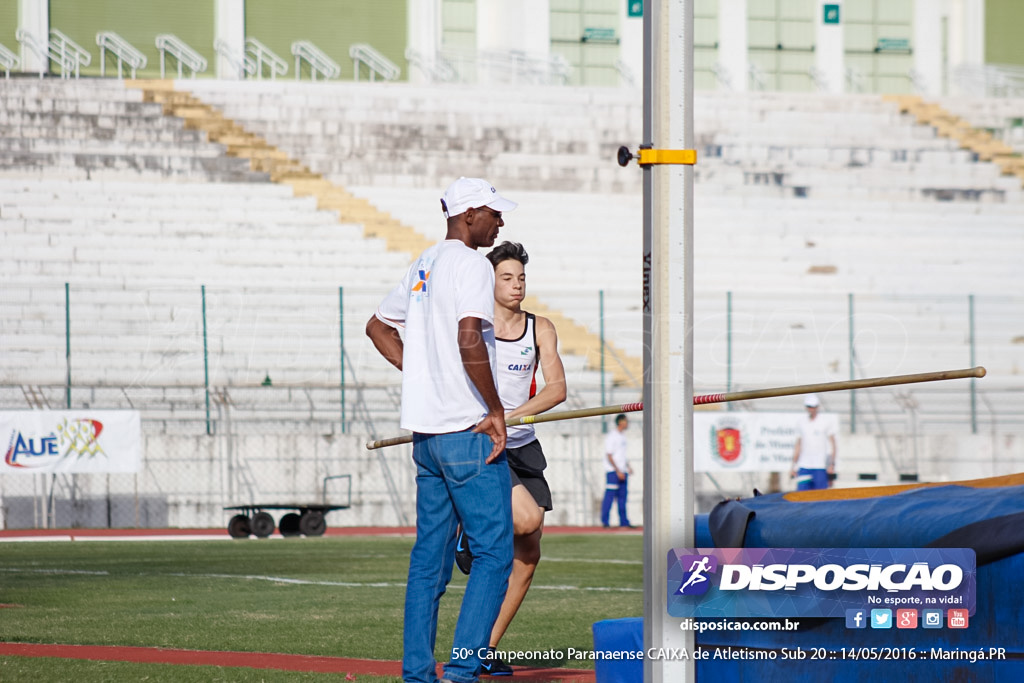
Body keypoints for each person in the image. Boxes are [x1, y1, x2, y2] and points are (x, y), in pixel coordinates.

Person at [365, 176, 517, 683]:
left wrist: (422, 377)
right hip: (466, 432)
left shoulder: (423, 263)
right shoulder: (471, 265)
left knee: (428, 559)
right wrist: (494, 408)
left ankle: (416, 674)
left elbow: (378, 327)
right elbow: (470, 336)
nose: (500, 221)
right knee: (495, 552)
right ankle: (462, 670)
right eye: (494, 213)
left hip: (427, 439)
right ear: (469, 213)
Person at [455, 241, 567, 676]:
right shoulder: (473, 327)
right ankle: (469, 530)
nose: (517, 284)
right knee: (525, 519)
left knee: (529, 554)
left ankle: (482, 647)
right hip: (484, 443)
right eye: (507, 277)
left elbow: (556, 388)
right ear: (490, 281)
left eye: (521, 277)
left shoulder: (540, 328)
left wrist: (509, 414)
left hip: (521, 441)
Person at [789, 393, 837, 491]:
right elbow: (798, 445)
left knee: (820, 498)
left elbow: (833, 444)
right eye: (809, 407)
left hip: (820, 467)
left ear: (817, 407)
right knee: (801, 498)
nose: (812, 409)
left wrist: (831, 464)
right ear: (806, 407)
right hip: (804, 466)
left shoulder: (825, 422)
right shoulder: (801, 422)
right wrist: (793, 466)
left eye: (814, 407)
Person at [600, 414, 633, 528]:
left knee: (622, 498)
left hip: (622, 471)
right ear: (620, 422)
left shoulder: (622, 436)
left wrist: (627, 467)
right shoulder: (612, 436)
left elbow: (621, 455)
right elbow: (609, 455)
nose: (628, 423)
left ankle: (624, 522)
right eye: (626, 421)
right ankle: (605, 522)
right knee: (609, 497)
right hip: (613, 472)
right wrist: (617, 470)